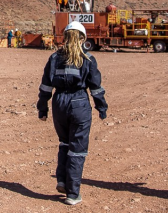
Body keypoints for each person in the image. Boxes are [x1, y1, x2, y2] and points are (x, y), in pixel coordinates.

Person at [37, 21, 108, 205]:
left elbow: (46, 86)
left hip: (59, 104)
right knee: (77, 149)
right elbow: (96, 87)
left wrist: (42, 108)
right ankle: (73, 194)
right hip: (78, 103)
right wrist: (101, 107)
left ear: (65, 37)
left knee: (64, 143)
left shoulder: (54, 58)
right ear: (83, 38)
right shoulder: (88, 58)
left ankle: (62, 180)